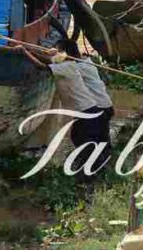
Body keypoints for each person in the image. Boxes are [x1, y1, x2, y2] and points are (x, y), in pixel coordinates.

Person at [48, 39, 114, 183]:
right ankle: (102, 165)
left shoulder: (75, 67)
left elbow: (51, 66)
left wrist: (27, 52)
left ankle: (89, 174)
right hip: (103, 106)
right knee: (96, 138)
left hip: (98, 108)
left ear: (65, 53)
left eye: (58, 49)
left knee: (84, 139)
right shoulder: (87, 62)